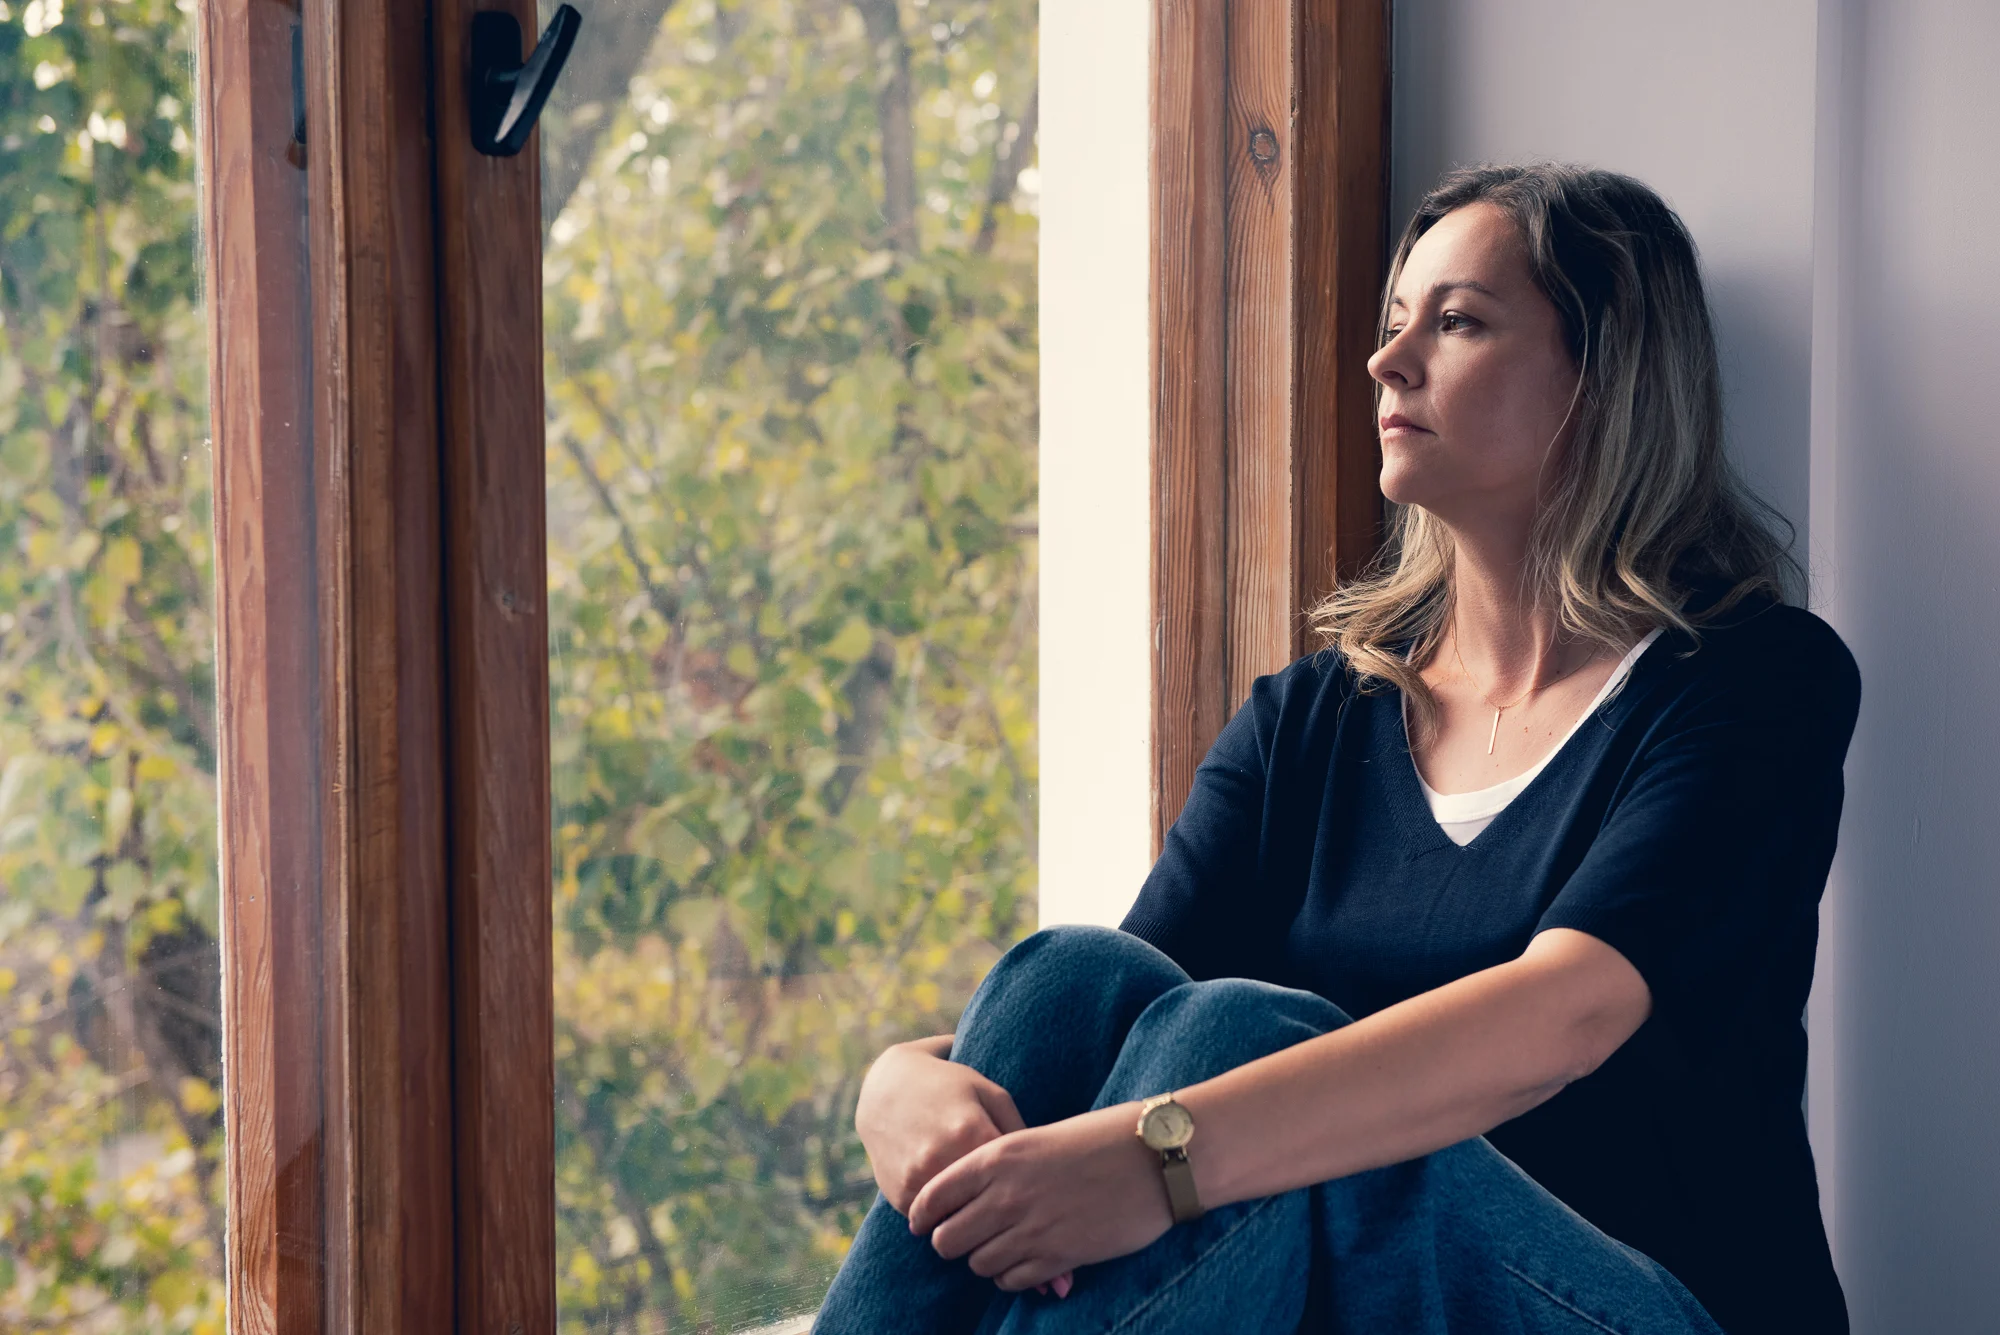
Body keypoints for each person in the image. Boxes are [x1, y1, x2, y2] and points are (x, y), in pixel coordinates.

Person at [814, 163, 1858, 1335]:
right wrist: (902, 1079)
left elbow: (1564, 1014)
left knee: (1233, 1038)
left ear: (1602, 378)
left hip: (1644, 1308)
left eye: (1455, 322)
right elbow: (1113, 1022)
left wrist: (1162, 1159)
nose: (1385, 361)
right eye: (1393, 320)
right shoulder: (1315, 718)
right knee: (1068, 977)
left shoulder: (1749, 682)